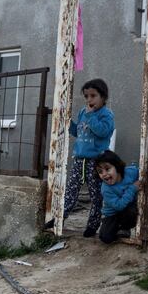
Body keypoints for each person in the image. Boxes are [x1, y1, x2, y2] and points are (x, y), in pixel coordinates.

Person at [46, 78, 115, 237]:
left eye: (93, 96)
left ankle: (93, 225)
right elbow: (78, 132)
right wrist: (68, 123)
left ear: (103, 97)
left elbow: (103, 132)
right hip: (79, 159)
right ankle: (59, 219)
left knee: (95, 194)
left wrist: (92, 117)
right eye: (86, 96)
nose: (89, 100)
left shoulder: (106, 114)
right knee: (70, 191)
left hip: (96, 161)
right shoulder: (83, 112)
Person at [95, 150, 139, 244]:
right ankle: (117, 226)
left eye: (107, 169)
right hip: (112, 213)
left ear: (117, 166)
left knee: (131, 210)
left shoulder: (130, 172)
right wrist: (132, 188)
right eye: (100, 171)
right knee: (105, 238)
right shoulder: (105, 188)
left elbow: (142, 174)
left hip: (128, 209)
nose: (104, 174)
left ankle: (125, 227)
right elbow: (118, 205)